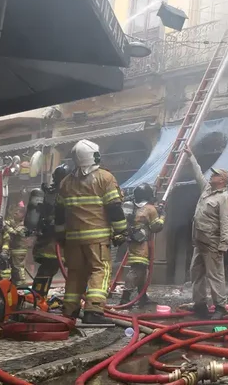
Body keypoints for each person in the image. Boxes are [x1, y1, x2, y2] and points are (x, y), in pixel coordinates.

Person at [55, 139, 128, 324]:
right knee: (100, 270)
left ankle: (69, 311)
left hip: (72, 240)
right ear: (94, 156)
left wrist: (61, 236)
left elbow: (59, 214)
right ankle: (93, 311)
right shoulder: (104, 178)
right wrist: (122, 231)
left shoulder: (65, 183)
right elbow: (114, 208)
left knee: (75, 273)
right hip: (97, 238)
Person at [183, 146, 228, 320]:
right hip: (199, 241)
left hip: (213, 243)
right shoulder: (207, 190)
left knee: (215, 276)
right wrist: (191, 156)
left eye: (215, 174)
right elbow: (198, 173)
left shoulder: (225, 198)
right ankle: (200, 305)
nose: (211, 176)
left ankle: (220, 307)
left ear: (223, 180)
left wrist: (223, 244)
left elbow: (227, 223)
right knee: (195, 273)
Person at [119, 183, 164, 307]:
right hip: (142, 243)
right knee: (137, 269)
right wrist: (162, 215)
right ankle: (125, 298)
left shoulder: (133, 206)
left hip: (133, 240)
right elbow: (156, 227)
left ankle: (142, 296)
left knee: (142, 270)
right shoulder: (150, 209)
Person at [31, 164, 70, 299]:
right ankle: (37, 298)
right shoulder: (64, 193)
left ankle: (37, 298)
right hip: (56, 240)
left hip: (47, 239)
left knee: (48, 269)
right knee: (50, 269)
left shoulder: (48, 192)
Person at [5, 203, 29, 287]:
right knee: (14, 267)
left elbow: (15, 232)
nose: (14, 214)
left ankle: (21, 282)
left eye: (17, 213)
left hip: (19, 249)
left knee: (18, 267)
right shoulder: (15, 222)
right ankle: (15, 281)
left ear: (22, 214)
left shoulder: (23, 225)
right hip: (14, 248)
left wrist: (6, 227)